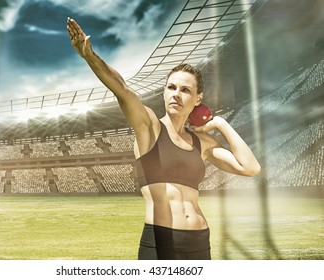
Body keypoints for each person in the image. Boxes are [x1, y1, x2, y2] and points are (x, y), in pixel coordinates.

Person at [67, 17, 261, 260]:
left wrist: (220, 124)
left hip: (200, 241)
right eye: (171, 87)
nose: (176, 95)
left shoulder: (202, 144)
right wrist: (91, 58)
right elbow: (123, 89)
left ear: (198, 99)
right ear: (164, 91)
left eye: (185, 90)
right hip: (160, 243)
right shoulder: (149, 127)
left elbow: (251, 168)